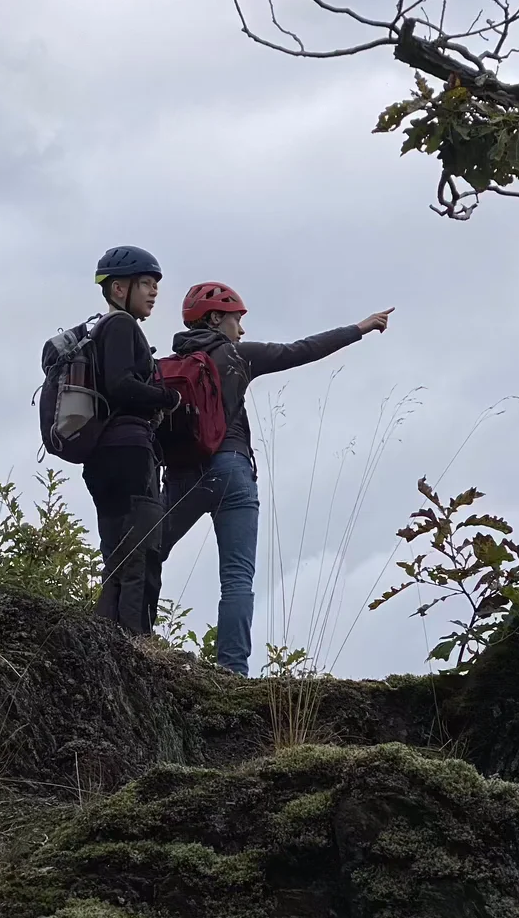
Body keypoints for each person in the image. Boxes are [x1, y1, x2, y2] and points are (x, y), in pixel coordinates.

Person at [161, 283, 393, 675]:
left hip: (183, 475)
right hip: (233, 471)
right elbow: (300, 350)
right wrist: (359, 328)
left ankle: (132, 637)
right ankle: (233, 671)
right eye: (236, 319)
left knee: (147, 552)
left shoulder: (167, 367)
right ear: (215, 318)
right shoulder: (238, 356)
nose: (242, 329)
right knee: (237, 577)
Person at [83, 245, 181, 637]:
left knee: (116, 556)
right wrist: (166, 397)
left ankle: (106, 641)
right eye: (145, 283)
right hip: (130, 453)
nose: (154, 291)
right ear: (118, 288)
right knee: (141, 552)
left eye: (155, 284)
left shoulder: (99, 331)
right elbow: (121, 384)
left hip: (101, 455)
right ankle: (136, 645)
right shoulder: (122, 325)